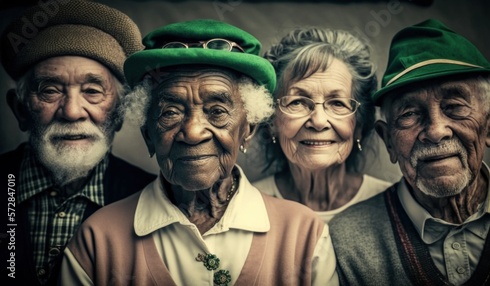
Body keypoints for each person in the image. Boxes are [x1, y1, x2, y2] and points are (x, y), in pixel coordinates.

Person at [59, 19, 338, 285]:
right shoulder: (97, 242)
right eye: (170, 112)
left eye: (217, 112)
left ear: (247, 130)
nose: (193, 132)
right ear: (148, 137)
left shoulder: (305, 237)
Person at [329, 19, 490, 285]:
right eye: (409, 114)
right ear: (388, 141)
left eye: (454, 106)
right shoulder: (348, 238)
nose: (435, 131)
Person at [0, 1, 156, 285]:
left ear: (120, 112)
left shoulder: (152, 199)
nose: (72, 111)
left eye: (92, 91)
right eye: (50, 90)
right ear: (20, 110)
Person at [252, 27, 391, 222]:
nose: (318, 122)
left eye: (337, 103)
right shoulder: (248, 206)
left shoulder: (392, 207)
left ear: (358, 125)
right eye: (297, 102)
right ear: (272, 122)